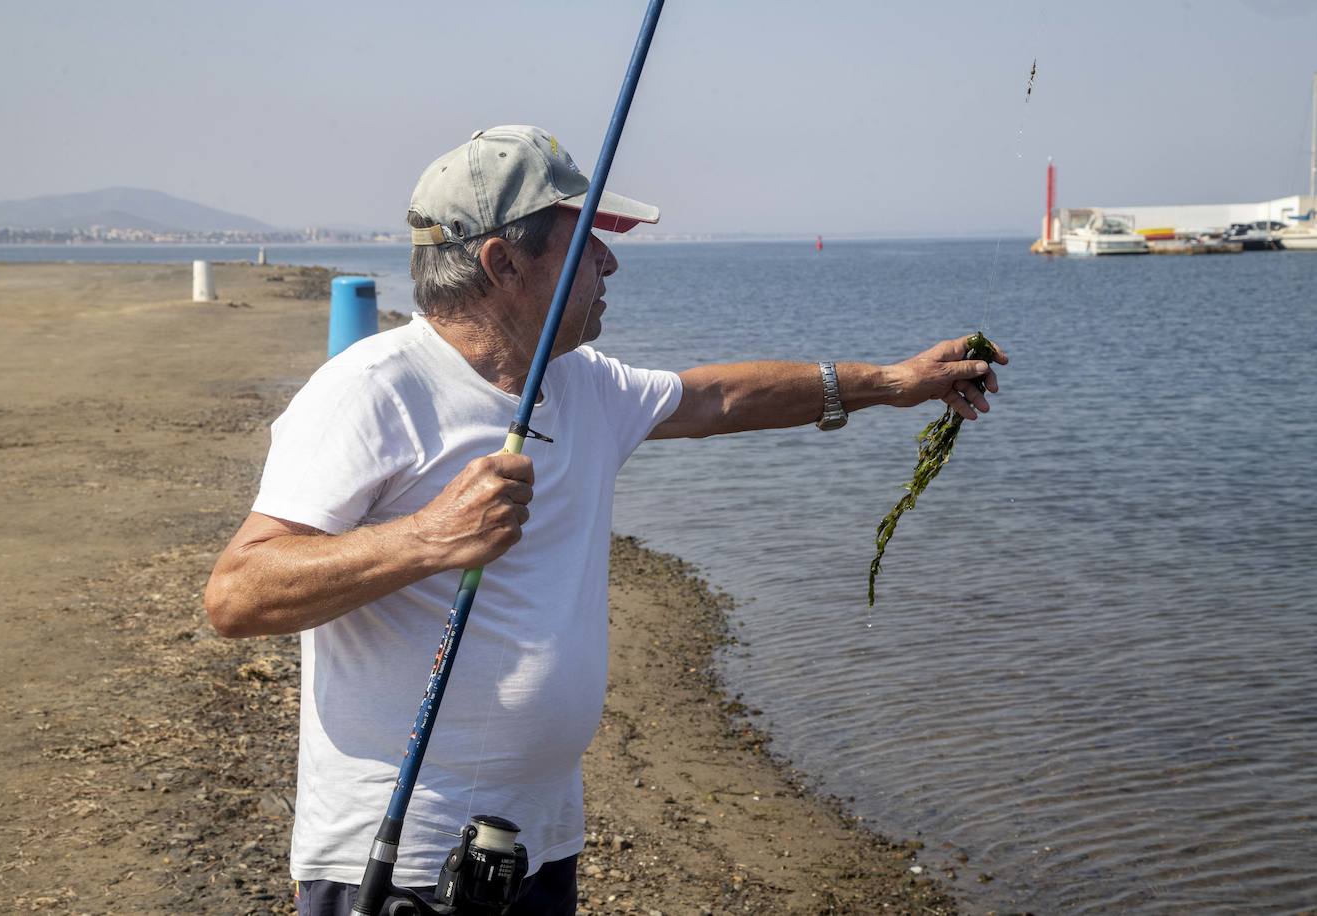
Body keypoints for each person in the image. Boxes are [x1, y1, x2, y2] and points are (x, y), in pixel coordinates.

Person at [203, 125, 1007, 916]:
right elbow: (237, 594)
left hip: (539, 846)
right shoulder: (373, 389)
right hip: (401, 861)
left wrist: (894, 382)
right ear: (502, 262)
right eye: (588, 240)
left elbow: (716, 398)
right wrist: (426, 537)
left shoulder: (582, 382)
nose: (611, 259)